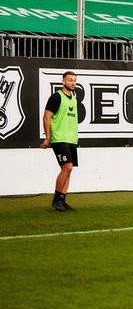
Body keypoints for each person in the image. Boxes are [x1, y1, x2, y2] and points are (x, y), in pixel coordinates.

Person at [41, 71, 79, 211]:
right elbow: (46, 117)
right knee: (67, 167)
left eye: (74, 80)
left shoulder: (74, 98)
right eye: (70, 80)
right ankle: (56, 199)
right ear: (63, 81)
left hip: (71, 139)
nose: (73, 82)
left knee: (69, 170)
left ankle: (62, 200)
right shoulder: (56, 97)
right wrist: (47, 137)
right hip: (59, 138)